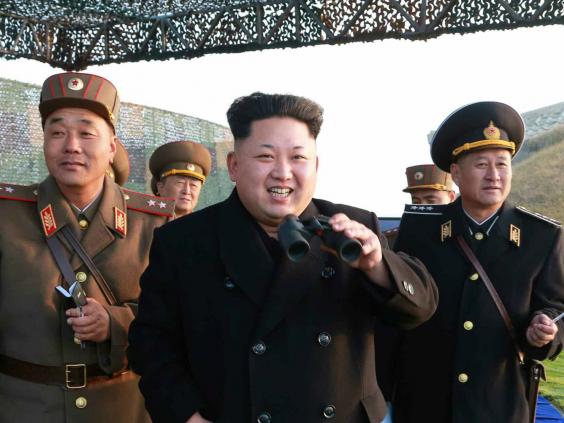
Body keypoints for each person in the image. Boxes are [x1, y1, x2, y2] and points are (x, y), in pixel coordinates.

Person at [128, 92, 439, 423]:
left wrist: (376, 265)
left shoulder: (352, 227)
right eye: (266, 156)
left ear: (315, 166)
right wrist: (187, 416)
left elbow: (420, 309)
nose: (283, 172)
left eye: (298, 157)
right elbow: (152, 345)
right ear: (234, 165)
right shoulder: (184, 241)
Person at [0, 72, 174, 422]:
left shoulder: (154, 225)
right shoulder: (7, 216)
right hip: (25, 409)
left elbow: (183, 324)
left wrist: (116, 323)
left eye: (86, 133)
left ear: (112, 146)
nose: (71, 146)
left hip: (123, 411)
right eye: (57, 133)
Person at [393, 101, 564, 423]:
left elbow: (555, 307)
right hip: (424, 403)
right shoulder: (421, 230)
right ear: (456, 173)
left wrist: (545, 331)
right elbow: (396, 312)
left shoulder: (541, 237)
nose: (494, 175)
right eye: (481, 165)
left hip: (499, 404)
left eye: (502, 164)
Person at [149, 140, 212, 218]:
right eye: (180, 183)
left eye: (193, 185)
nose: (187, 191)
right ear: (161, 187)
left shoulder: (208, 223)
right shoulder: (144, 222)